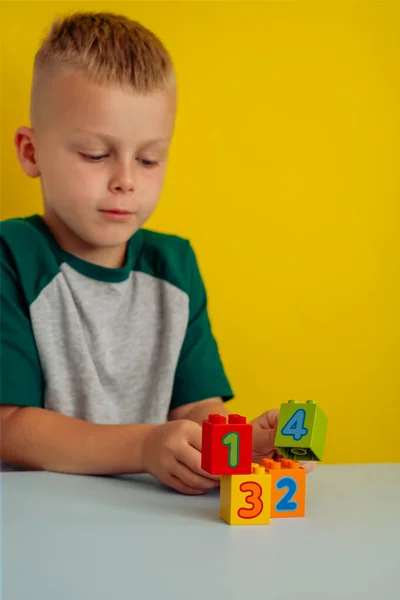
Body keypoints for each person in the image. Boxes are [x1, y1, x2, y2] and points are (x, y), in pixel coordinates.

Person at [0, 11, 314, 494]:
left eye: (148, 159)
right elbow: (11, 427)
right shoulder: (11, 256)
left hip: (147, 525)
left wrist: (236, 445)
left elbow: (194, 408)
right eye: (95, 154)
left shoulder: (175, 267)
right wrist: (146, 446)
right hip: (36, 524)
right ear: (31, 152)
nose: (126, 178)